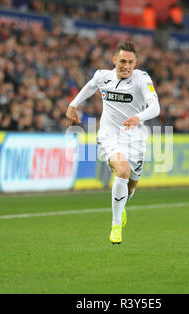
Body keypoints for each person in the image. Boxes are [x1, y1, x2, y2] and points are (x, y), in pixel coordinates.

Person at [66, 41, 160, 244]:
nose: (126, 66)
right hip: (110, 137)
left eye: (131, 62)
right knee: (123, 171)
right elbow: (90, 86)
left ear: (136, 63)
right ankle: (116, 225)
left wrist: (139, 117)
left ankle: (122, 206)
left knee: (131, 187)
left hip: (135, 138)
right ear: (114, 60)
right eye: (123, 61)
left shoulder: (141, 79)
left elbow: (155, 107)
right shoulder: (103, 76)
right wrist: (73, 104)